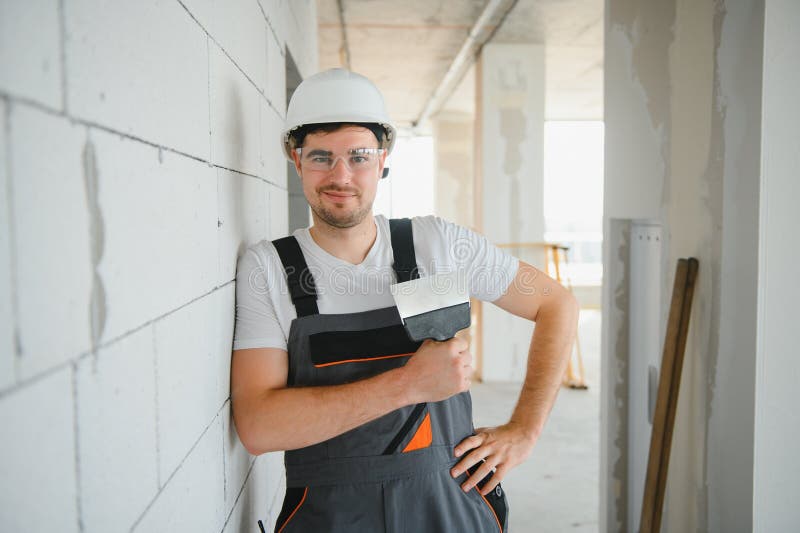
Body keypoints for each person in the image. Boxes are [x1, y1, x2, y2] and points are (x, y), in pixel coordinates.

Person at [231, 68, 578, 532]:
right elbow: (258, 427)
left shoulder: (436, 249)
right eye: (321, 157)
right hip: (329, 519)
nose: (341, 175)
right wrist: (409, 385)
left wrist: (524, 431)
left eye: (358, 156)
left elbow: (556, 304)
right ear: (297, 161)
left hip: (450, 509)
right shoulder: (271, 269)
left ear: (383, 159)